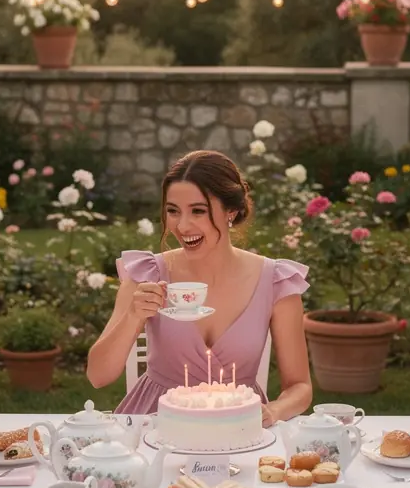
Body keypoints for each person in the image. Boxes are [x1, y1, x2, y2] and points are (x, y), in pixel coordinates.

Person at [88, 150, 312, 422]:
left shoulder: (276, 281)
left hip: (239, 425)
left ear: (231, 211)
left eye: (198, 211)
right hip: (154, 424)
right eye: (173, 211)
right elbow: (98, 376)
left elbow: (300, 386)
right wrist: (133, 316)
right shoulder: (146, 274)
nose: (182, 226)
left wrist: (274, 411)